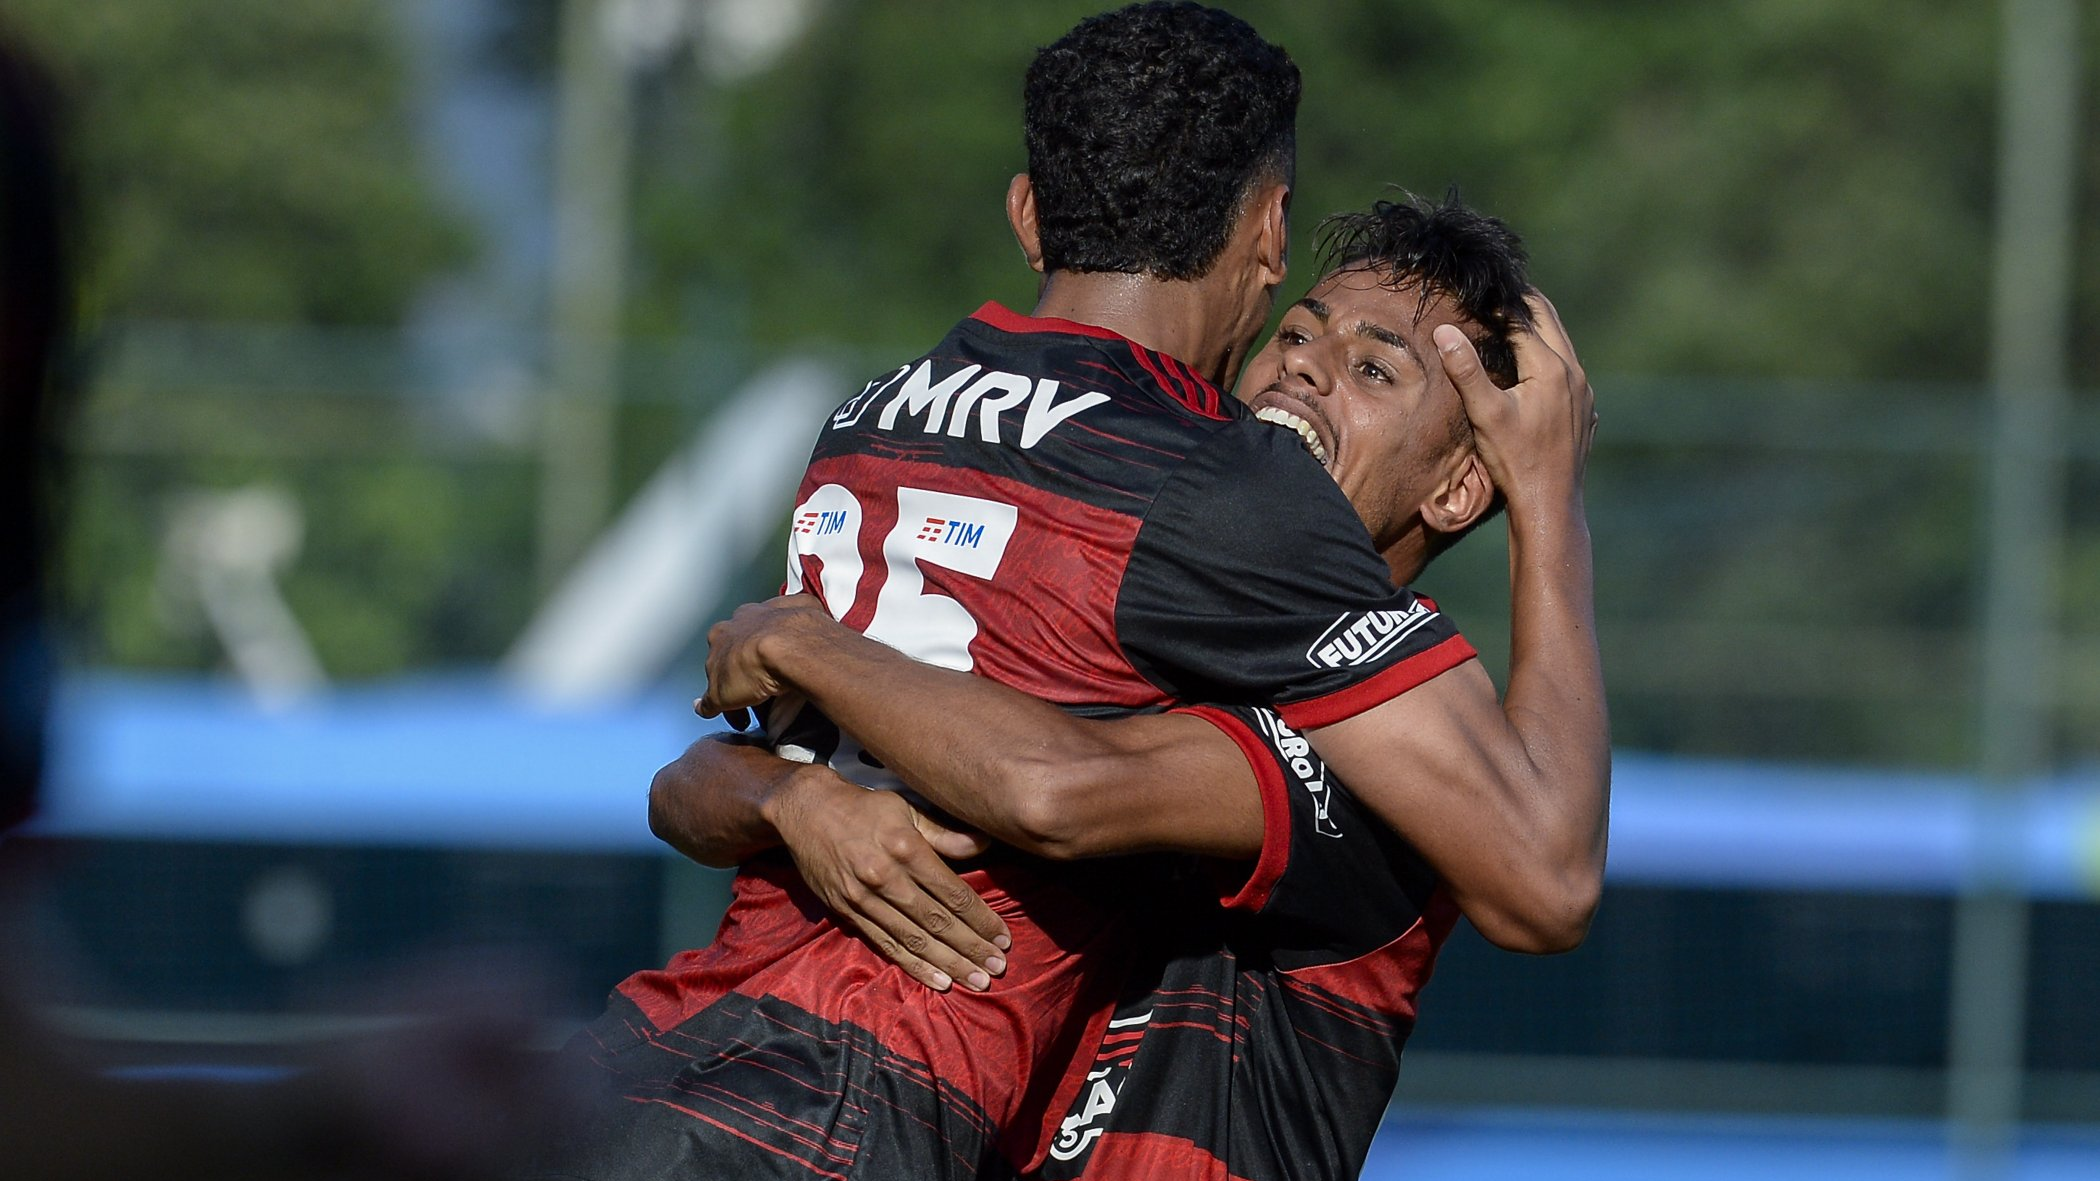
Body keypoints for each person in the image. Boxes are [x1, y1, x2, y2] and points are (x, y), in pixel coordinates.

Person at [527, 6, 1603, 1180]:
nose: (1302, 364)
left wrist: (802, 643)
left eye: (1374, 369)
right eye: (1299, 333)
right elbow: (693, 775)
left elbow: (1056, 784)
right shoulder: (1150, 563)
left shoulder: (1375, 747)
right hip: (777, 1099)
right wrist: (799, 806)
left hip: (728, 1089)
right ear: (1264, 236)